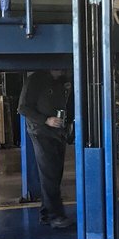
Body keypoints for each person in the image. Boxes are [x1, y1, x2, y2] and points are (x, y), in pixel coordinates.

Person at [18, 70, 73, 229]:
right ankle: (55, 216)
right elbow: (23, 108)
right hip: (40, 132)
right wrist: (46, 120)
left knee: (55, 174)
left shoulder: (62, 80)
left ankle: (47, 214)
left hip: (58, 133)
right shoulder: (35, 80)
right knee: (50, 174)